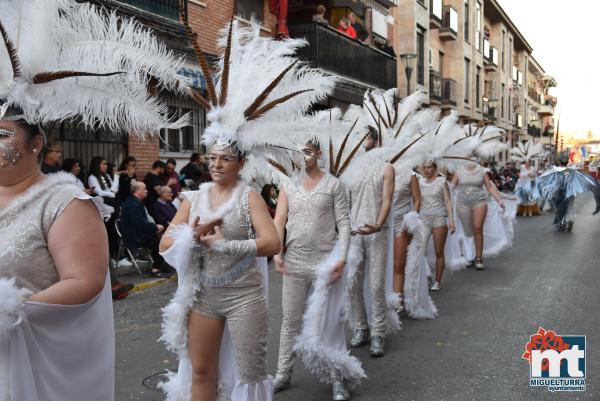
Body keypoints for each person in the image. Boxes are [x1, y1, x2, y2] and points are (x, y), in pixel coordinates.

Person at [0, 0, 185, 398]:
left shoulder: (64, 203)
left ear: (36, 144)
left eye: (2, 134)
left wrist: (6, 311)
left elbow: (84, 282)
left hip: (31, 364)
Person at [157, 18, 334, 401]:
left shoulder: (248, 197)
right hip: (204, 295)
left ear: (240, 163)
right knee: (201, 372)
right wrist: (190, 235)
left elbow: (271, 242)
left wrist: (225, 246)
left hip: (244, 296)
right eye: (212, 157)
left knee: (251, 373)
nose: (217, 164)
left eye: (226, 158)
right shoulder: (193, 198)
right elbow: (165, 242)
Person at [272, 141, 363, 400]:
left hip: (326, 263)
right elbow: (279, 220)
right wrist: (278, 252)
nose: (302, 156)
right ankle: (283, 373)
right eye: (297, 151)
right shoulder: (287, 184)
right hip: (295, 262)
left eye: (307, 151)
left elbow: (344, 225)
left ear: (319, 154)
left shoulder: (334, 185)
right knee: (290, 320)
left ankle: (337, 378)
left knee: (331, 322)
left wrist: (341, 259)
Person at [346, 128, 395, 357]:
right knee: (352, 283)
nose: (360, 140)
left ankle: (378, 333)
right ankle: (360, 327)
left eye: (364, 136)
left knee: (376, 285)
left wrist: (377, 223)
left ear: (375, 141)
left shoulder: (387, 168)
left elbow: (386, 199)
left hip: (377, 232)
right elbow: (343, 203)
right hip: (354, 233)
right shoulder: (349, 170)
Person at [451, 162, 505, 270]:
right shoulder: (459, 169)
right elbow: (451, 186)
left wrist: (499, 200)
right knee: (468, 231)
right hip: (462, 204)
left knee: (477, 227)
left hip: (479, 201)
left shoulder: (482, 170)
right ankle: (469, 256)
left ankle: (479, 258)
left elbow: (490, 188)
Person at [121, 182, 171, 278]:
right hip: (135, 237)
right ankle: (155, 269)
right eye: (145, 189)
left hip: (139, 234)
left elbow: (141, 223)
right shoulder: (133, 204)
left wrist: (154, 228)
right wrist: (155, 227)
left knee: (165, 237)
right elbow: (139, 224)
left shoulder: (135, 202)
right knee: (162, 242)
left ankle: (162, 265)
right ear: (138, 191)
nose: (147, 191)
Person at [419, 160, 455, 291]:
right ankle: (427, 273)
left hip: (439, 219)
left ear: (435, 168)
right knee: (420, 249)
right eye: (425, 167)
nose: (427, 170)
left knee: (439, 251)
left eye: (429, 167)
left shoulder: (441, 182)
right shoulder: (420, 182)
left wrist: (451, 220)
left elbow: (448, 201)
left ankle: (438, 281)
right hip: (423, 219)